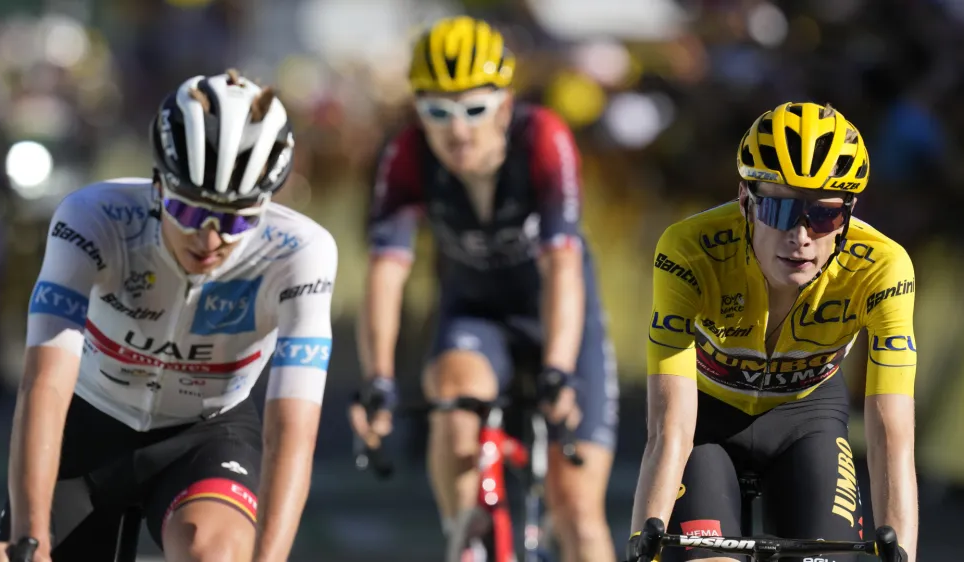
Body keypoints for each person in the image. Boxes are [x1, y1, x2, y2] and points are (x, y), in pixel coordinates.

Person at [0, 69, 337, 562]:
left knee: (213, 554)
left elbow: (292, 431)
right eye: (188, 211)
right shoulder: (93, 220)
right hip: (86, 423)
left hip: (205, 435)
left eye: (235, 219)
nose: (209, 239)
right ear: (158, 185)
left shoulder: (299, 255)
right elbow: (45, 384)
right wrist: (29, 538)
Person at [348, 15, 618, 562]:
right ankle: (466, 541)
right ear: (417, 111)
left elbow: (562, 267)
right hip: (476, 315)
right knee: (453, 401)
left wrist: (558, 369)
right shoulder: (406, 154)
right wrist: (377, 379)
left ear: (504, 104)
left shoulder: (542, 138)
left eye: (473, 110)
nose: (457, 131)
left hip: (557, 314)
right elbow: (385, 274)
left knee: (577, 510)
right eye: (437, 113)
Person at [625, 102, 916, 562]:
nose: (801, 236)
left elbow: (890, 436)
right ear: (745, 199)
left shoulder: (882, 268)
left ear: (848, 214)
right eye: (780, 211)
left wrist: (901, 549)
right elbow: (669, 428)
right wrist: (646, 537)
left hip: (807, 419)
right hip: (707, 421)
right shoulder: (688, 251)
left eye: (823, 215)